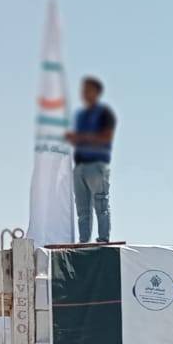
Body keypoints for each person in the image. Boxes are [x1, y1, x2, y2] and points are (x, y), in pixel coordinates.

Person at [64, 75, 117, 243]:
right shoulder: (80, 115)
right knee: (82, 209)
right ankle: (84, 241)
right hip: (80, 166)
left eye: (88, 90)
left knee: (100, 204)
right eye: (83, 90)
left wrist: (81, 137)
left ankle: (103, 239)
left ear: (96, 92)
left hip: (96, 164)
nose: (84, 93)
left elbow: (106, 137)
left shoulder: (105, 113)